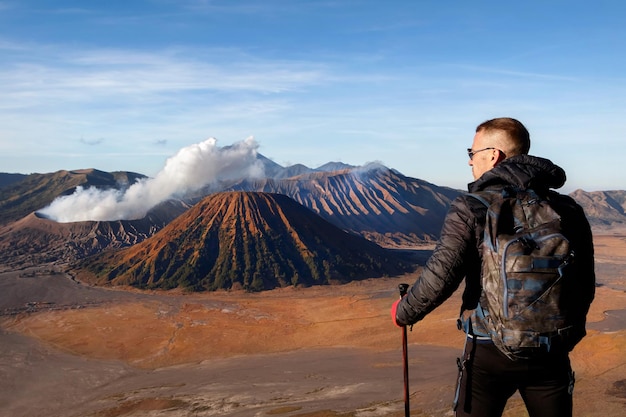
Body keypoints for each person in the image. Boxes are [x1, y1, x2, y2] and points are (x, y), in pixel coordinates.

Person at [391, 117, 595, 417]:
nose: (470, 162)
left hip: (489, 350)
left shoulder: (472, 206)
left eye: (472, 153)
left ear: (493, 155)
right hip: (551, 353)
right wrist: (564, 332)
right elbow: (585, 284)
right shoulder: (566, 209)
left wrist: (404, 311)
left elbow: (442, 275)